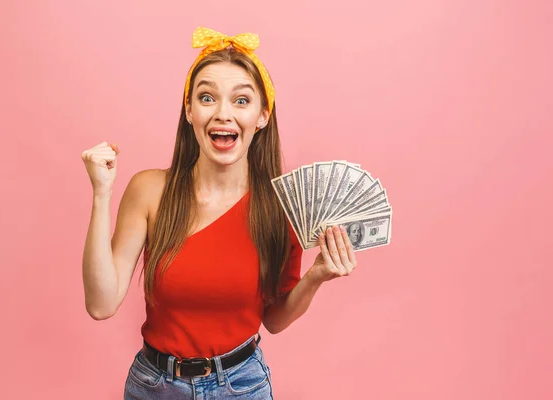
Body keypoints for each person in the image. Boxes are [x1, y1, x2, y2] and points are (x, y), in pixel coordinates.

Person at [81, 27, 358, 399]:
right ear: (189, 110)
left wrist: (317, 276)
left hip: (241, 386)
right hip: (154, 386)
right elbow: (101, 304)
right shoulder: (149, 190)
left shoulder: (281, 208)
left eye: (241, 101)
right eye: (207, 97)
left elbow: (274, 321)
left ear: (262, 115)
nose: (223, 114)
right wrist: (102, 193)